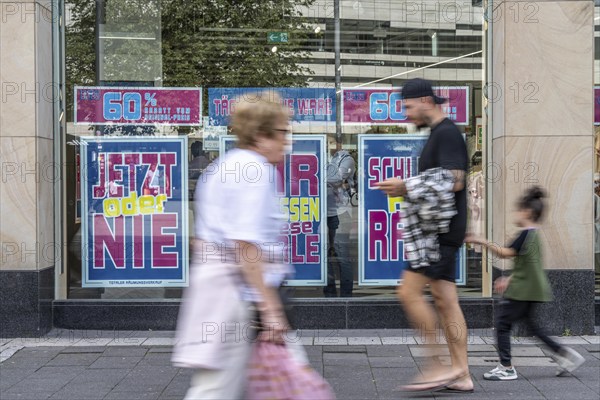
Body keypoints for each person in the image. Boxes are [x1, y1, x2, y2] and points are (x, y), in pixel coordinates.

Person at [172, 92, 291, 399]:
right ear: (262, 135)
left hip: (232, 293)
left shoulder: (224, 166)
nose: (287, 142)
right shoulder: (254, 172)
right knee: (217, 389)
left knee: (270, 382)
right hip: (239, 298)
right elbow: (245, 245)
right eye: (283, 133)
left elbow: (203, 239)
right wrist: (270, 310)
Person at [375, 78, 473, 392]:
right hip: (441, 232)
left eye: (407, 107)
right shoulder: (441, 134)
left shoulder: (447, 134)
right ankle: (461, 373)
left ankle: (438, 365)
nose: (406, 114)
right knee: (445, 301)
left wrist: (407, 186)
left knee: (408, 292)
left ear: (425, 101)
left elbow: (455, 180)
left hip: (438, 235)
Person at [465, 186, 585, 380]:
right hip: (532, 289)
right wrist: (509, 278)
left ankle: (507, 367)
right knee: (533, 328)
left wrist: (481, 240)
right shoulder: (534, 235)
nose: (516, 213)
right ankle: (566, 355)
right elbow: (528, 264)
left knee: (503, 324)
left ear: (527, 212)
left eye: (518, 210)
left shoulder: (525, 234)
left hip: (523, 291)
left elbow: (505, 253)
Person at [324, 135, 356, 297]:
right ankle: (329, 295)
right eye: (327, 142)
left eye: (330, 142)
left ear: (339, 143)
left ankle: (346, 298)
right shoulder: (324, 158)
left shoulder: (347, 159)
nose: (328, 145)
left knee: (342, 254)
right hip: (323, 212)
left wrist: (317, 176)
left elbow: (336, 179)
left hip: (341, 213)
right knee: (324, 254)